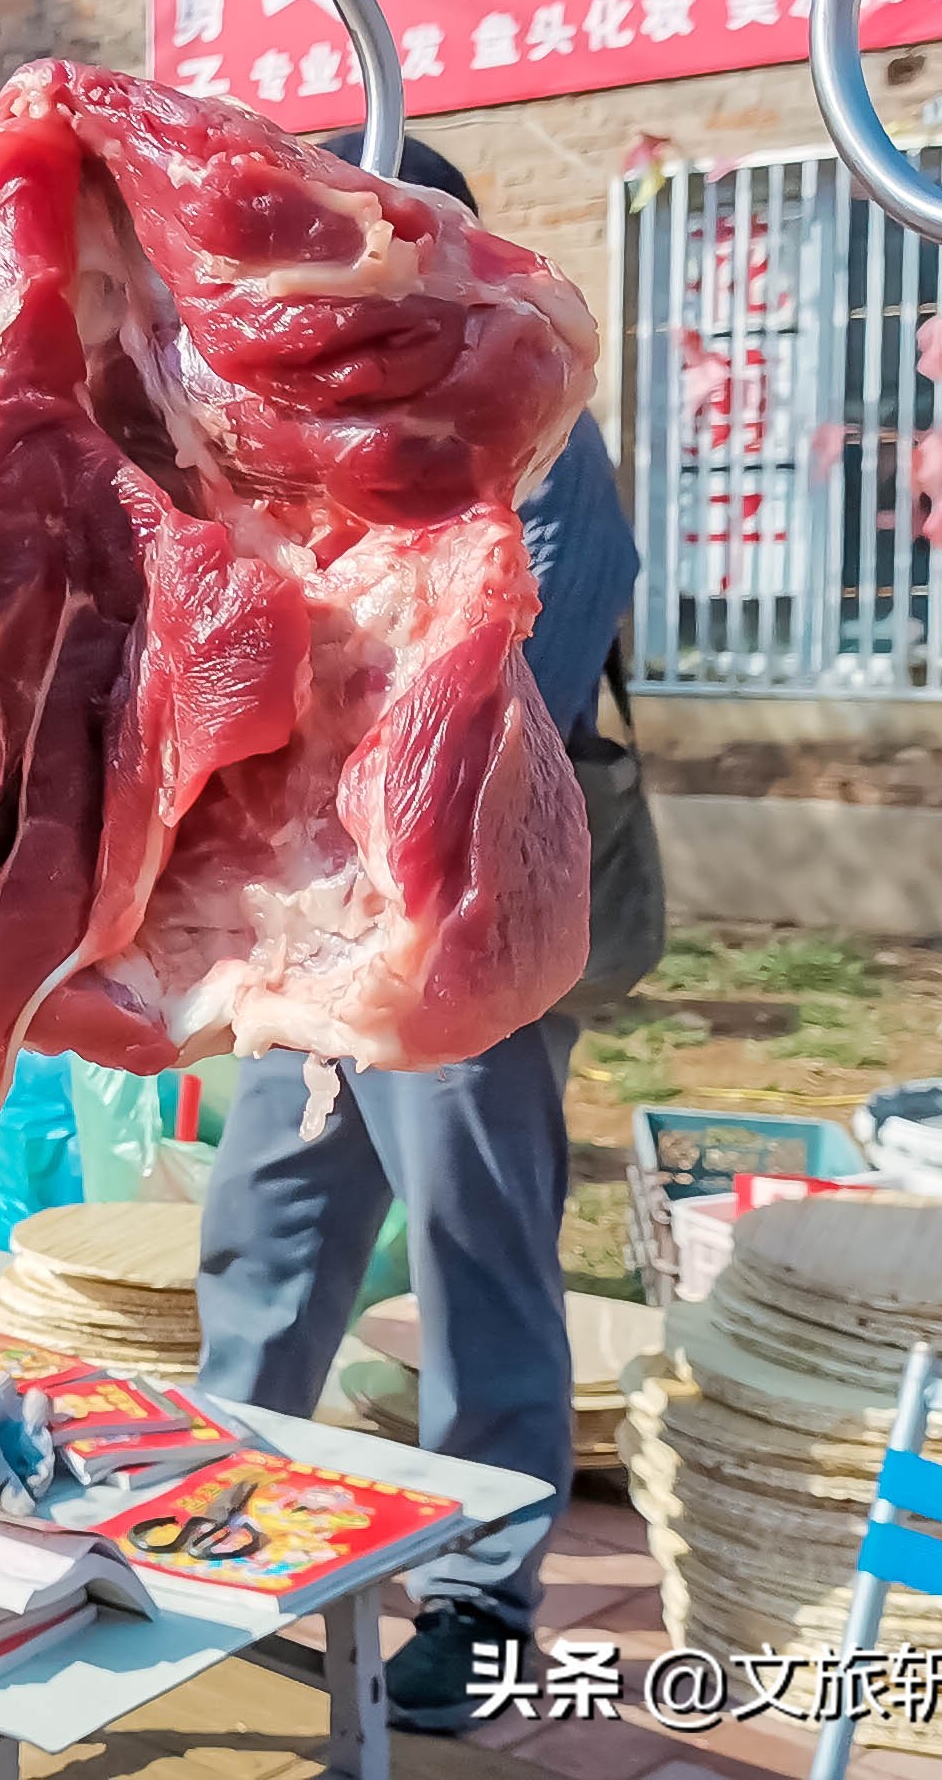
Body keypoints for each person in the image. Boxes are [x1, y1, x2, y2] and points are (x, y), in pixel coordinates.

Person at [192, 134, 640, 1735]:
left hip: (456, 921)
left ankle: (481, 1602)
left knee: (476, 1253)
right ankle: (219, 1529)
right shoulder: (295, 421)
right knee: (267, 1228)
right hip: (309, 924)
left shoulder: (515, 406)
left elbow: (523, 646)